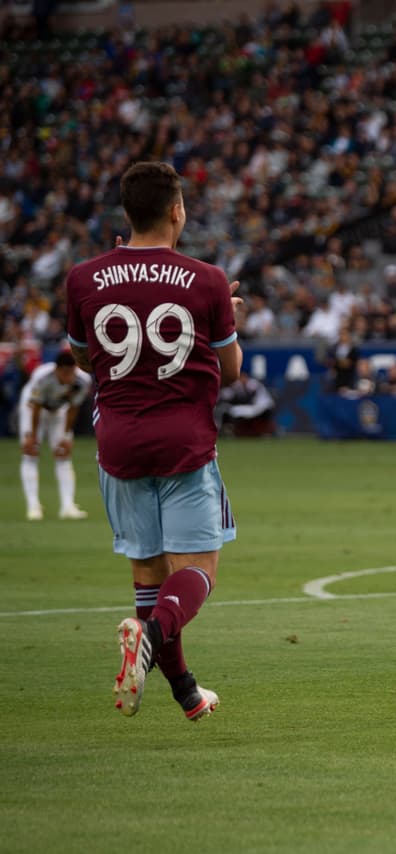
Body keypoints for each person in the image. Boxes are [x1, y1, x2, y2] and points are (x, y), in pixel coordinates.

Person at [64, 161, 243, 722]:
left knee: (149, 577)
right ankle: (149, 635)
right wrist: (229, 319)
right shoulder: (209, 280)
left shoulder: (83, 277)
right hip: (184, 443)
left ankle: (186, 692)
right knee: (198, 573)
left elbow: (81, 357)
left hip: (117, 442)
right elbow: (231, 372)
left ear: (127, 213)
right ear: (176, 211)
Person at [18, 351, 93, 520]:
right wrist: (31, 435)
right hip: (32, 409)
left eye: (71, 372)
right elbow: (36, 407)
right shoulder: (42, 377)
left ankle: (67, 506)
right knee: (30, 454)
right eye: (65, 373)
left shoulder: (82, 381)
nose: (68, 377)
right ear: (57, 370)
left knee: (63, 454)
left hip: (59, 411)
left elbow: (74, 408)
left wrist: (66, 437)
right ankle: (33, 507)